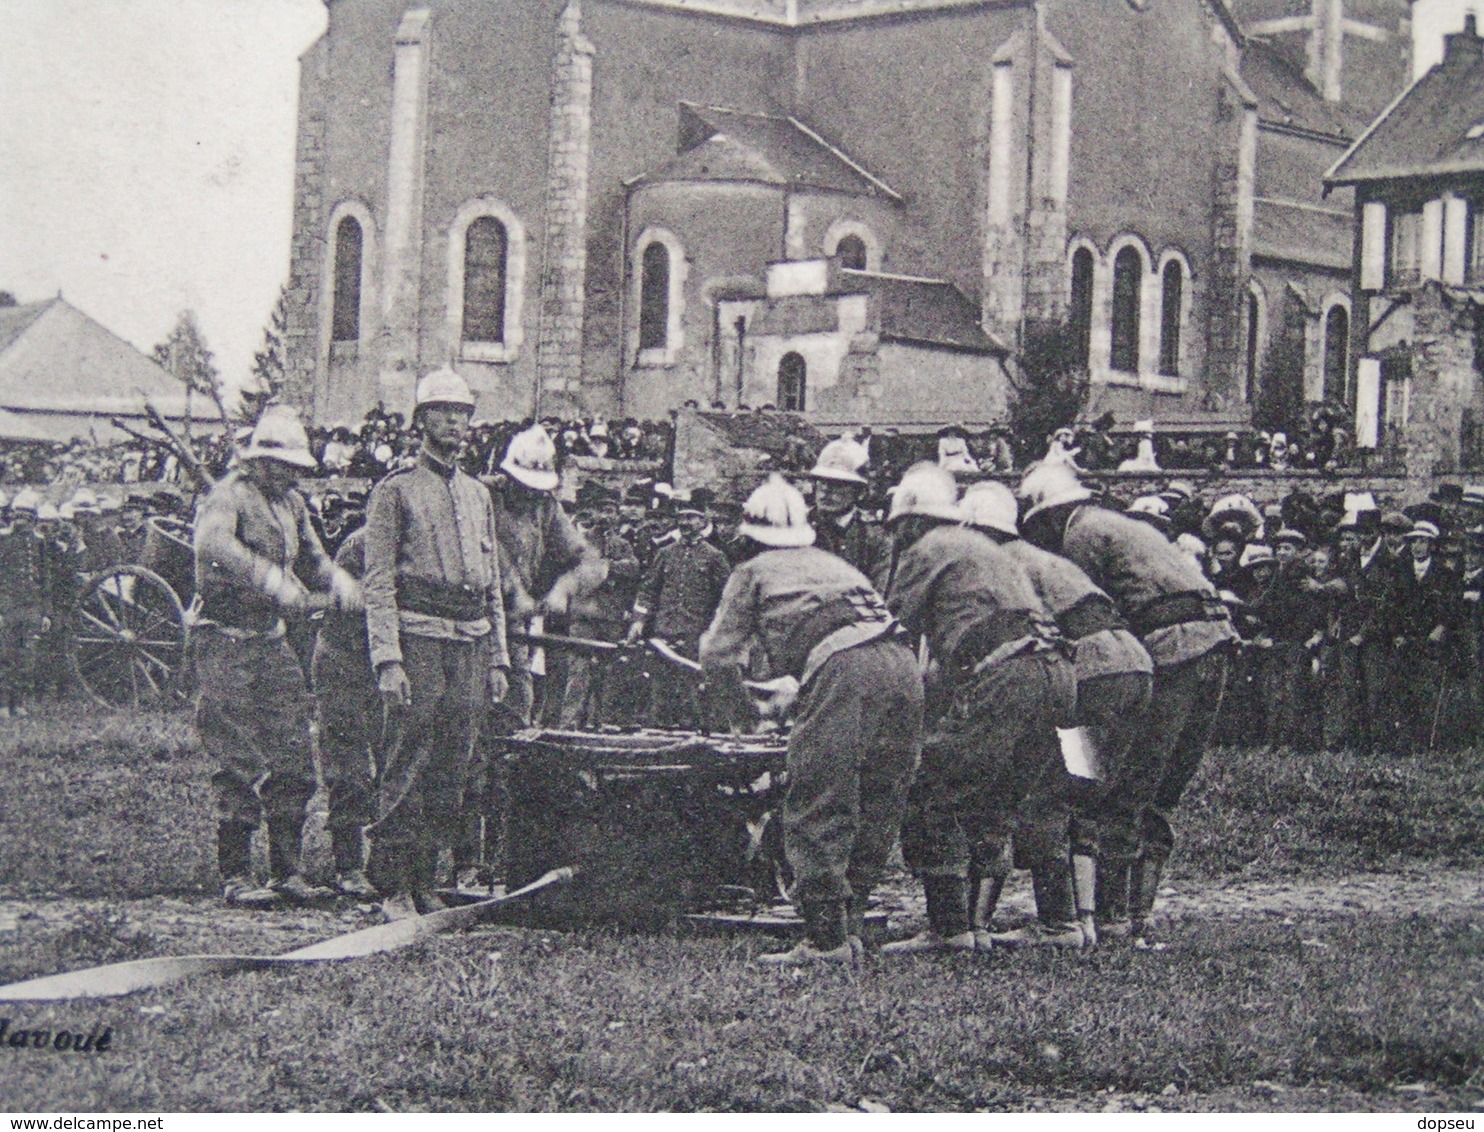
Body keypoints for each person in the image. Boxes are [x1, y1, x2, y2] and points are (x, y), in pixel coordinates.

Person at [699, 475, 922, 966]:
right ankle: (853, 923)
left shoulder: (753, 571)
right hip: (902, 664)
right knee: (876, 796)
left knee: (820, 796)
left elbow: (717, 657)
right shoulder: (834, 563)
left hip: (846, 668)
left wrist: (741, 721)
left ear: (750, 537)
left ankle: (825, 939)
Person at [1018, 462, 1236, 947]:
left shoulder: (1082, 536)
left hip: (1170, 652)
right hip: (1215, 645)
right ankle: (1133, 916)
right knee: (1158, 789)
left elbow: (1087, 618)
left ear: (1050, 517)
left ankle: (1110, 918)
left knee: (1124, 784)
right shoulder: (1126, 526)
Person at [883, 463, 1077, 953]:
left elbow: (889, 634)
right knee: (998, 799)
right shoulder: (985, 550)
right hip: (1054, 672)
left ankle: (950, 929)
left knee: (932, 786)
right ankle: (1026, 925)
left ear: (908, 519)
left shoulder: (925, 549)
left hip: (1004, 674)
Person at [959, 481, 1154, 947]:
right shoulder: (1043, 559)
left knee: (1044, 791)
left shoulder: (993, 564)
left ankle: (1055, 922)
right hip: (1131, 667)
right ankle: (1083, 919)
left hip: (1087, 674)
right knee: (1081, 789)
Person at [192, 407, 357, 908]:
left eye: (296, 467)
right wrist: (268, 579)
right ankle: (236, 875)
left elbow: (314, 558)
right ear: (259, 459)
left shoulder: (292, 504)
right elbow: (213, 543)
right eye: (282, 464)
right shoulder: (227, 496)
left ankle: (286, 871)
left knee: (293, 753)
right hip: (222, 639)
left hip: (270, 640)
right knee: (236, 758)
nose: (291, 474)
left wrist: (339, 581)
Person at [362, 368, 510, 921]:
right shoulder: (394, 491)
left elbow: (490, 579)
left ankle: (425, 877)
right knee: (408, 756)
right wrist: (388, 658)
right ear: (420, 421)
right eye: (444, 412)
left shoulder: (478, 494)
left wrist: (498, 657)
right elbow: (379, 581)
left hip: (470, 642)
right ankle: (391, 883)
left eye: (463, 413)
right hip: (418, 636)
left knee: (454, 762)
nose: (456, 422)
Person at [309, 523, 378, 898]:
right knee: (348, 767)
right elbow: (345, 597)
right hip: (345, 658)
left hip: (389, 662)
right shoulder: (360, 545)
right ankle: (348, 864)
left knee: (394, 764)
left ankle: (386, 862)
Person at [626, 491, 731, 728]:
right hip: (664, 631)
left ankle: (692, 733)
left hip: (695, 633)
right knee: (660, 687)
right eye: (682, 518)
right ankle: (658, 731)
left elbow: (726, 598)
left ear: (703, 522)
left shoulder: (715, 557)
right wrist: (638, 621)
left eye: (691, 518)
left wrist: (716, 631)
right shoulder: (665, 554)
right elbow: (648, 590)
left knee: (691, 689)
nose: (685, 523)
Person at [804, 437, 893, 590]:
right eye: (821, 482)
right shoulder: (797, 526)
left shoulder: (874, 536)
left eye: (837, 484)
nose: (825, 491)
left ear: (859, 492)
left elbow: (879, 592)